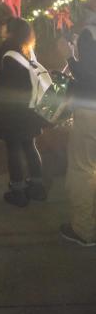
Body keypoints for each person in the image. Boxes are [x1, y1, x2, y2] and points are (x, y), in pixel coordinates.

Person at [0, 18, 46, 207]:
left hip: (13, 111)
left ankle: (18, 191)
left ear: (11, 30)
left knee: (13, 149)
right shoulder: (27, 49)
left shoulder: (8, 51)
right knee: (30, 146)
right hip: (30, 109)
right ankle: (37, 187)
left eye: (5, 25)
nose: (2, 26)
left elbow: (5, 87)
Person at [60, 23, 96, 246]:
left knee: (82, 169)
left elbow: (90, 76)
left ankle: (84, 230)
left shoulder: (90, 34)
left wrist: (69, 57)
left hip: (90, 112)